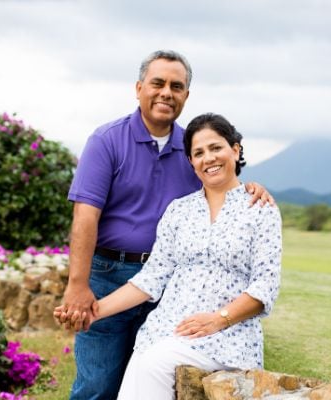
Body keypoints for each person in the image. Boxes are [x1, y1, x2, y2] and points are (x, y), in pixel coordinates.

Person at [58, 50, 274, 399]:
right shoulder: (107, 140)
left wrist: (253, 187)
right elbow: (85, 216)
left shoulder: (192, 146)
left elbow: (220, 182)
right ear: (139, 87)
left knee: (152, 375)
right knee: (98, 385)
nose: (166, 93)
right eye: (157, 83)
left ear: (186, 95)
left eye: (177, 86)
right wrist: (79, 286)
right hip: (111, 272)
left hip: (170, 293)